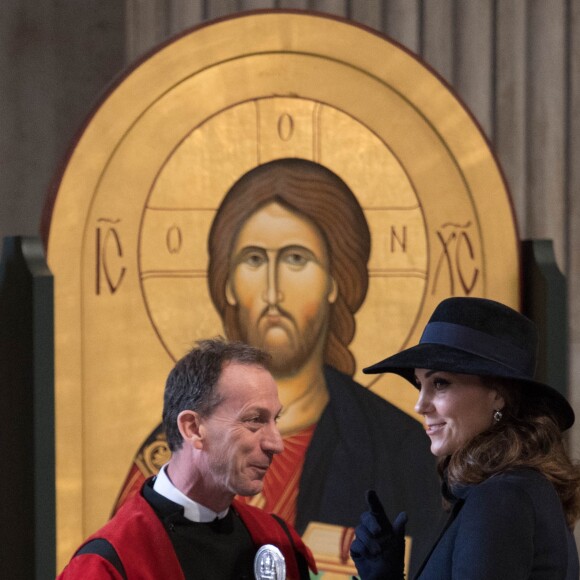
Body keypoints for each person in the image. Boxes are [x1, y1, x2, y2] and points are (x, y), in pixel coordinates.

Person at [115, 158, 443, 575]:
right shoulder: (151, 481)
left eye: (295, 259)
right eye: (253, 259)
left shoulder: (392, 447)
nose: (273, 290)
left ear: (335, 280)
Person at [350, 296, 580, 579]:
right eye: (420, 385)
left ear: (498, 394)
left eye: (440, 383)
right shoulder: (518, 488)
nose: (420, 405)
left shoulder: (502, 496)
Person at [58, 338, 316, 579]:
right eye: (254, 420)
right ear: (192, 428)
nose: (277, 444)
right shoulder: (109, 564)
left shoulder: (276, 541)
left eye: (275, 419)